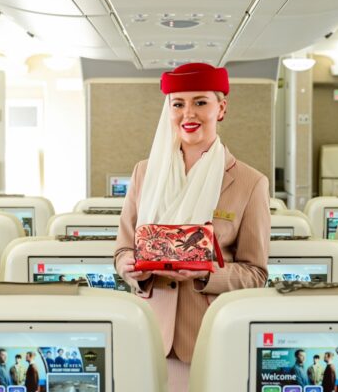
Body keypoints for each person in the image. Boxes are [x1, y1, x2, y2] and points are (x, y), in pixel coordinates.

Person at [114, 63, 270, 392]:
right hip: (147, 333)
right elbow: (123, 249)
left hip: (209, 334)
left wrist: (205, 273)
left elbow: (256, 274)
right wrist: (129, 266)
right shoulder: (144, 173)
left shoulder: (250, 182)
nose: (189, 113)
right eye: (178, 104)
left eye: (200, 102)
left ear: (221, 108)